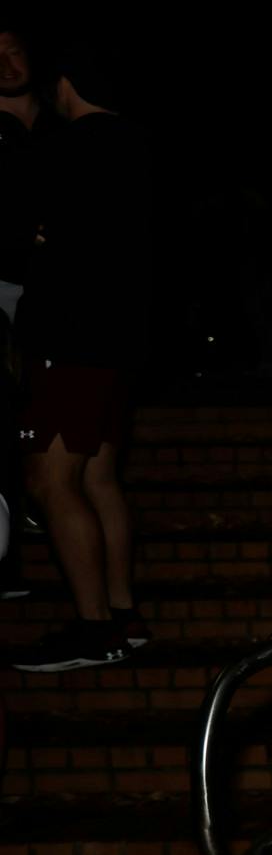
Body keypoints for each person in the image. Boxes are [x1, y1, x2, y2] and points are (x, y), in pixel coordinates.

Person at [11, 48, 153, 672]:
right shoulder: (139, 149)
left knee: (49, 479)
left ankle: (95, 628)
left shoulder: (65, 151)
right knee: (98, 478)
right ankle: (122, 614)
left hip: (73, 341)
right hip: (119, 342)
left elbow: (25, 227)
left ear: (64, 86)